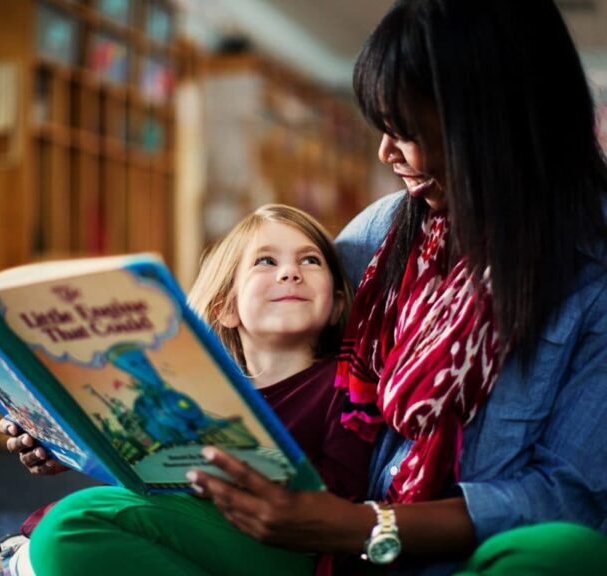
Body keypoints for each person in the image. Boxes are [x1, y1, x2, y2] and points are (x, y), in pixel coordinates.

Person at [33, 0, 607, 575]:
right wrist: (77, 426)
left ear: (492, 123)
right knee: (76, 527)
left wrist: (359, 524)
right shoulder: (386, 232)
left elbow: (567, 497)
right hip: (324, 550)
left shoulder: (592, 272)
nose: (386, 152)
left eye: (405, 129)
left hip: (445, 556)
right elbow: (257, 342)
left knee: (563, 555)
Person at [0, 204, 371, 576]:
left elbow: (343, 498)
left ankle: (24, 564)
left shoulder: (344, 383)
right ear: (227, 307)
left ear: (335, 304)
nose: (291, 272)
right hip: (188, 533)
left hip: (285, 551)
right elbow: (141, 469)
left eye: (310, 260)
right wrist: (63, 445)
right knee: (75, 530)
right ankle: (35, 559)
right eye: (266, 262)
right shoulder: (193, 387)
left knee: (70, 527)